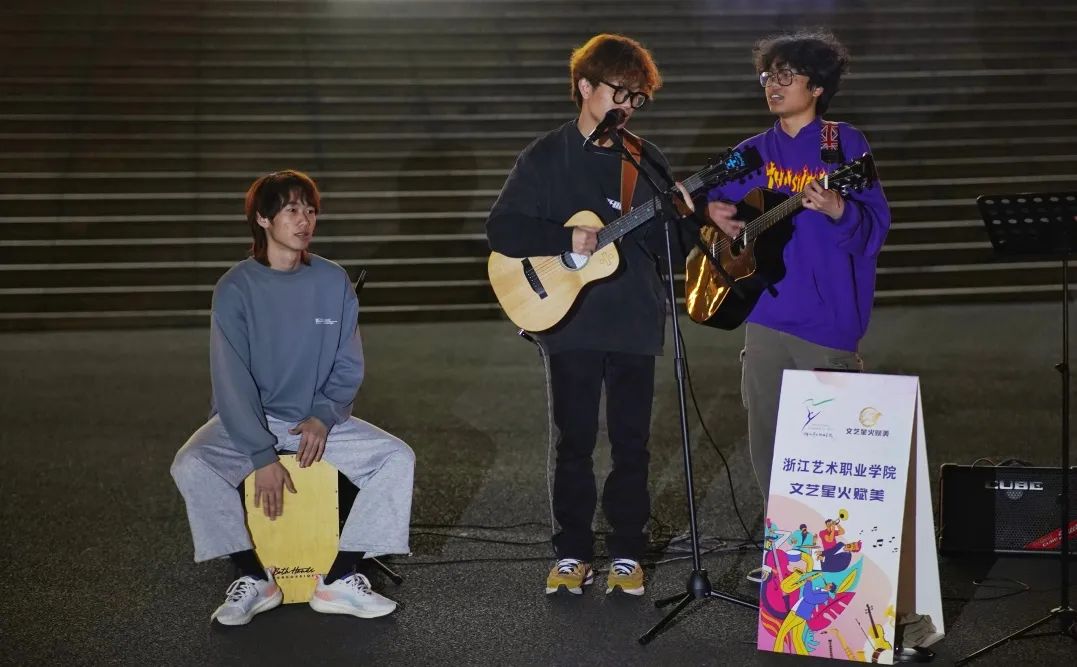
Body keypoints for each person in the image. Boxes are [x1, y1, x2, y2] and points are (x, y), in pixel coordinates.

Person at [486, 33, 694, 597]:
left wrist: (687, 218)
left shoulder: (645, 159)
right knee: (573, 441)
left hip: (635, 319)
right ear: (584, 86)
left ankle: (627, 552)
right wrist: (565, 237)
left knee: (632, 444)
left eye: (637, 97)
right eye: (618, 92)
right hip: (569, 320)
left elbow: (670, 247)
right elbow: (502, 229)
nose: (627, 105)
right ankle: (572, 552)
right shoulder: (545, 156)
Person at [171, 170, 415, 625]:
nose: (305, 220)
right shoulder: (234, 288)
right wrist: (261, 455)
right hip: (250, 419)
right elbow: (231, 381)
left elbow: (348, 364)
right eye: (291, 210)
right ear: (263, 219)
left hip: (316, 420)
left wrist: (324, 415)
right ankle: (251, 576)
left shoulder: (333, 280)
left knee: (396, 459)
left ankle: (340, 578)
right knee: (192, 464)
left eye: (310, 210)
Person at [705, 31, 890, 545]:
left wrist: (840, 209)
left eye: (787, 75)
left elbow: (874, 228)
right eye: (769, 75)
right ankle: (785, 554)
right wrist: (710, 212)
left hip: (828, 322)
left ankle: (832, 565)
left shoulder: (843, 145)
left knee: (831, 453)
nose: (774, 84)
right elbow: (703, 198)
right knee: (768, 445)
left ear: (818, 86)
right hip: (765, 317)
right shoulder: (752, 152)